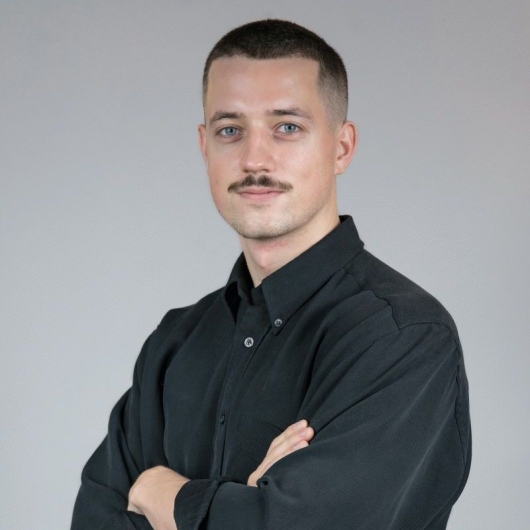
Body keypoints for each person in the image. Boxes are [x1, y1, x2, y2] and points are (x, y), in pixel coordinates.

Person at [71, 19, 471, 530]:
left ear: (341, 147)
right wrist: (243, 508)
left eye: (287, 127)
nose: (254, 158)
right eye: (230, 130)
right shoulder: (174, 343)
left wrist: (164, 496)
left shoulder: (402, 338)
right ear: (205, 147)